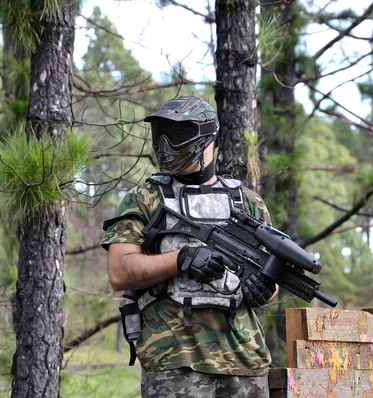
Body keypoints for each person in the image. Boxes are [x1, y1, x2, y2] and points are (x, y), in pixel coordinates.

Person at [101, 96, 278, 398]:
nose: (167, 144)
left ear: (208, 138)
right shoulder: (145, 197)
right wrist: (182, 258)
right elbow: (120, 271)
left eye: (180, 133)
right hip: (174, 363)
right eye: (161, 133)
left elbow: (270, 284)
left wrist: (264, 288)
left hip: (245, 364)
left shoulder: (247, 202)